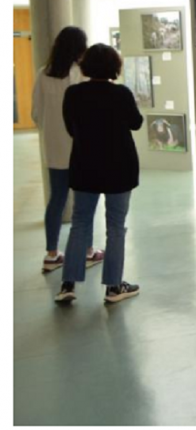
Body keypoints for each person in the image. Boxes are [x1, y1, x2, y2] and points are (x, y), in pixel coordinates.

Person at [54, 44, 143, 304]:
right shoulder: (121, 93)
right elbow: (136, 123)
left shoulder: (73, 93)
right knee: (116, 227)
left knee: (80, 223)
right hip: (120, 167)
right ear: (115, 67)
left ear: (85, 66)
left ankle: (67, 285)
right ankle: (114, 287)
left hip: (85, 166)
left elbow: (71, 128)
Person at [32, 27, 105, 273]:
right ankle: (86, 251)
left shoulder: (43, 74)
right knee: (83, 202)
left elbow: (35, 113)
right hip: (81, 148)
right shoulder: (80, 75)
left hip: (53, 148)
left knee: (56, 200)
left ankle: (51, 254)